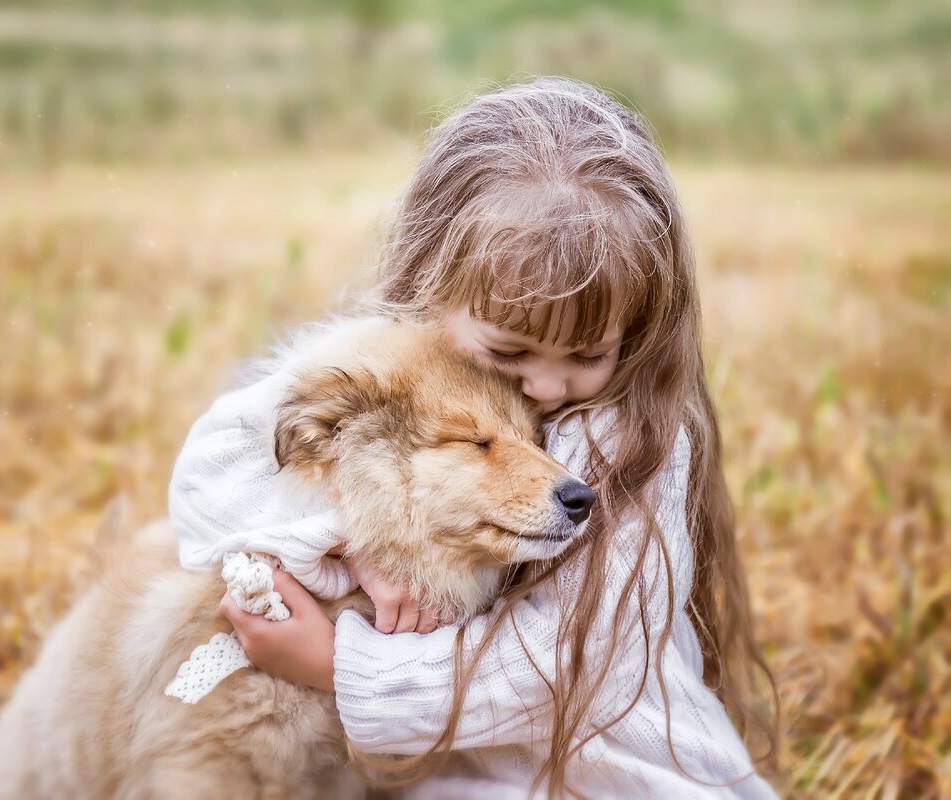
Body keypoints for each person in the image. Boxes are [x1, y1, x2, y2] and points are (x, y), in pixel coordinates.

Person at [168, 76, 778, 798]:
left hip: (604, 774)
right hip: (440, 776)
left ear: (637, 333)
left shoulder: (628, 439)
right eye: (513, 352)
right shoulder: (400, 369)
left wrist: (336, 667)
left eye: (588, 356)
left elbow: (572, 668)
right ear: (433, 290)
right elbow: (213, 469)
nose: (546, 388)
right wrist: (369, 544)